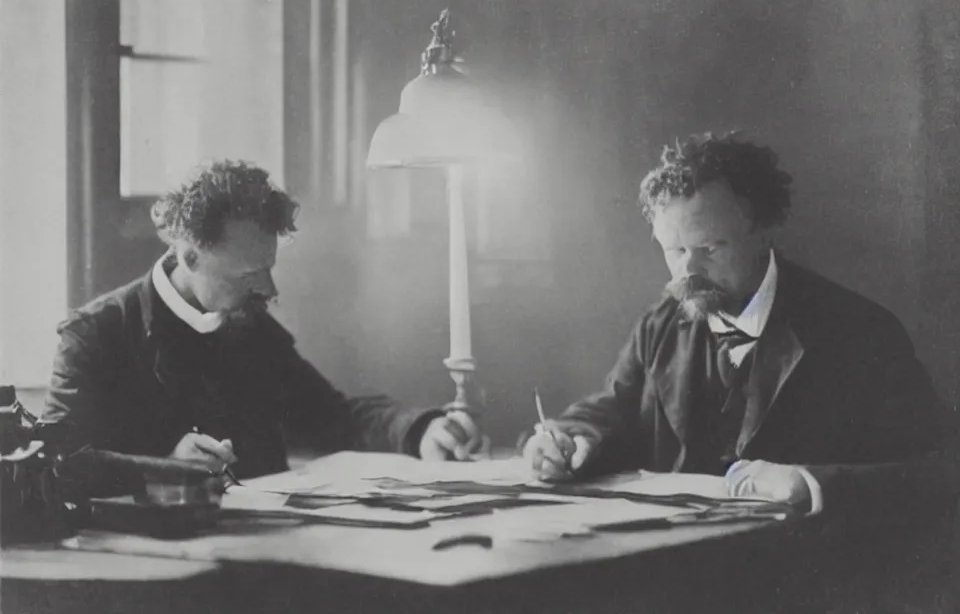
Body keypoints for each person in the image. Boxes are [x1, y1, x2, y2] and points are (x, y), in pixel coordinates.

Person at [524, 132, 955, 515]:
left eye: (709, 247)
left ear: (763, 231)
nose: (687, 272)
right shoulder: (659, 326)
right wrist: (567, 438)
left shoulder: (858, 331)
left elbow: (938, 472)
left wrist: (812, 483)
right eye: (674, 251)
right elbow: (614, 409)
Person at [39, 160, 484, 492]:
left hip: (265, 555)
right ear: (190, 256)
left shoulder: (250, 326)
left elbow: (330, 414)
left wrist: (421, 429)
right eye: (248, 274)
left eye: (268, 268)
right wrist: (165, 465)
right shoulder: (94, 337)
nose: (267, 288)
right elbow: (61, 462)